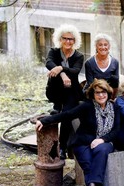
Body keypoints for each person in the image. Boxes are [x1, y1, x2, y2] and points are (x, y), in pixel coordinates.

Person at [36, 79, 120, 186]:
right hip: (82, 142)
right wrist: (45, 121)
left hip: (104, 142)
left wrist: (102, 139)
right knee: (88, 164)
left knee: (102, 150)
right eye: (97, 93)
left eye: (103, 92)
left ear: (108, 93)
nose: (101, 95)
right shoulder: (87, 106)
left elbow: (116, 130)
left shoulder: (115, 107)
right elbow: (68, 114)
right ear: (93, 94)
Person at [45, 24, 84, 159]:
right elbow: (48, 63)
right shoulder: (54, 52)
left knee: (67, 117)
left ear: (75, 41)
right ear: (60, 39)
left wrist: (61, 68)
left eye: (71, 39)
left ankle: (62, 147)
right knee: (54, 74)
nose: (68, 41)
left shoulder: (79, 56)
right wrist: (61, 74)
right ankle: (57, 105)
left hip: (71, 92)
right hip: (55, 90)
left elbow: (75, 71)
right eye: (65, 38)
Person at [83, 33, 119, 99]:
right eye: (100, 45)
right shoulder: (89, 63)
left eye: (105, 45)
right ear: (96, 46)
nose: (103, 47)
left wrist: (112, 98)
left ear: (109, 46)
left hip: (108, 93)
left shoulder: (115, 62)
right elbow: (91, 84)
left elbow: (116, 83)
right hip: (92, 93)